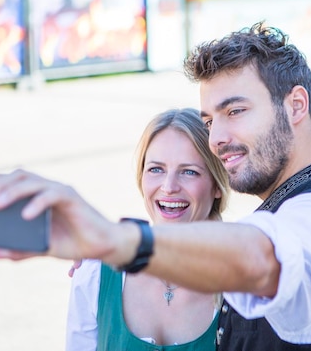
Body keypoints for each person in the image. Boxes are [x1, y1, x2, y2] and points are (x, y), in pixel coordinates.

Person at [0, 22, 311, 350]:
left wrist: (112, 239)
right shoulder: (287, 209)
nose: (218, 138)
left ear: (296, 105)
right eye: (210, 120)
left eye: (236, 111)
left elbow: (263, 258)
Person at [65, 108, 230, 350]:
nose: (169, 186)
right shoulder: (95, 272)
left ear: (217, 185)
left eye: (189, 172)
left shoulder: (242, 281)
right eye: (156, 169)